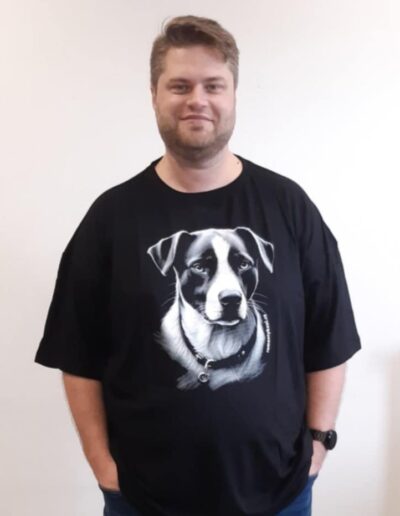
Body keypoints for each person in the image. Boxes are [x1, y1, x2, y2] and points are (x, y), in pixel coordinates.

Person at [35, 15, 361, 516]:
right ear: (154, 95)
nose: (198, 100)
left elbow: (329, 333)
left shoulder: (288, 207)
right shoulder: (112, 218)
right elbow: (77, 353)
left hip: (278, 494)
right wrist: (104, 467)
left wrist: (319, 443)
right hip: (145, 499)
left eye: (213, 85)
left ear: (233, 94)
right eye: (180, 85)